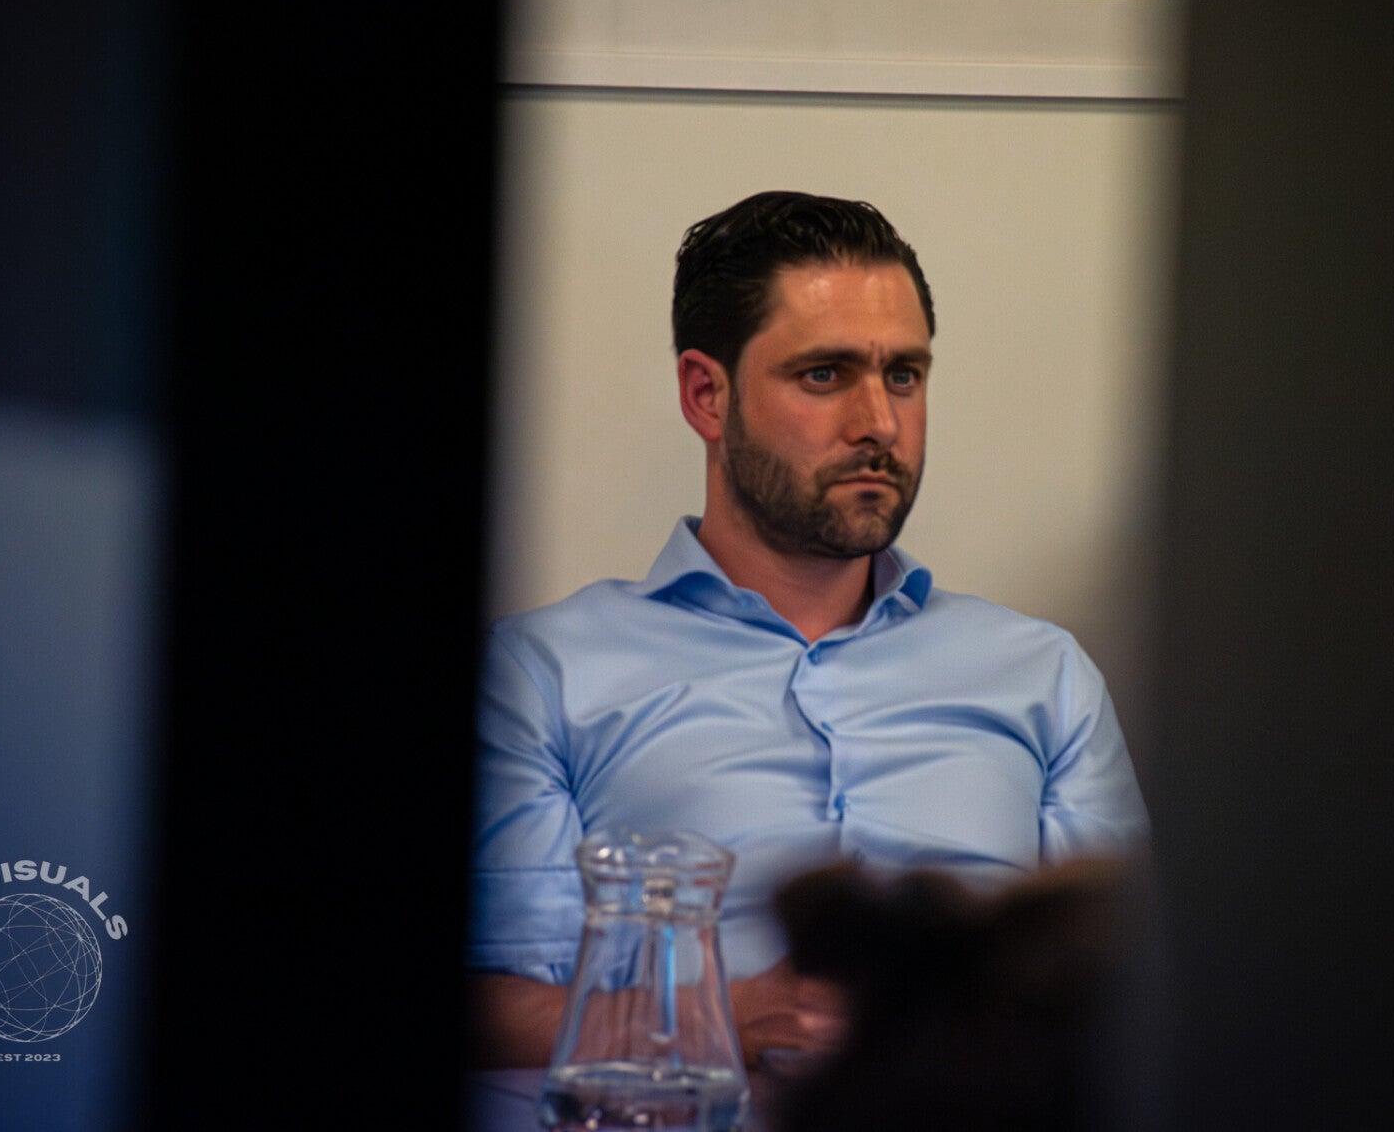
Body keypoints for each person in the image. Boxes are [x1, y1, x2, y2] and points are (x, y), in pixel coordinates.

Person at [467, 191, 1147, 1069]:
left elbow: (1134, 984)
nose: (879, 423)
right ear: (707, 395)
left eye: (903, 375)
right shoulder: (542, 672)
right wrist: (716, 1019)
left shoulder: (1043, 675)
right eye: (824, 374)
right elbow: (490, 1001)